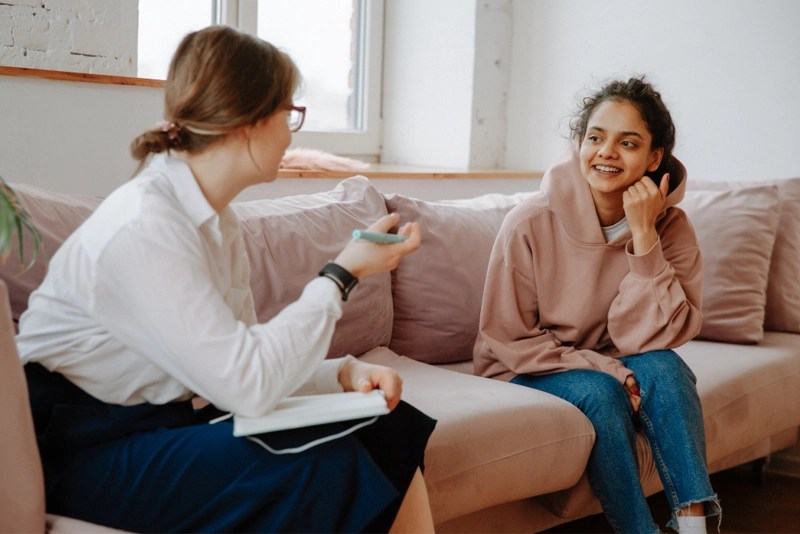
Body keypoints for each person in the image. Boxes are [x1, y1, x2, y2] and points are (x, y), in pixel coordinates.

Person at [17, 25, 436, 533]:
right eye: (290, 114)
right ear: (247, 122)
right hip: (79, 449)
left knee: (389, 424)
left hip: (154, 425)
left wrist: (341, 375)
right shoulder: (147, 225)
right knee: (321, 465)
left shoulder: (218, 221)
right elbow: (248, 386)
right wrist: (341, 273)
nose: (291, 131)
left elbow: (239, 357)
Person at [473, 77, 720, 533]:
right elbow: (507, 337)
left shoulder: (672, 228)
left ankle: (694, 525)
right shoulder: (528, 223)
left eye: (627, 143)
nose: (606, 152)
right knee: (602, 393)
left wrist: (644, 239)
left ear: (654, 158)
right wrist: (608, 369)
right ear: (579, 144)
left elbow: (659, 337)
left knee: (666, 367)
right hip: (525, 367)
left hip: (612, 359)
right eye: (595, 137)